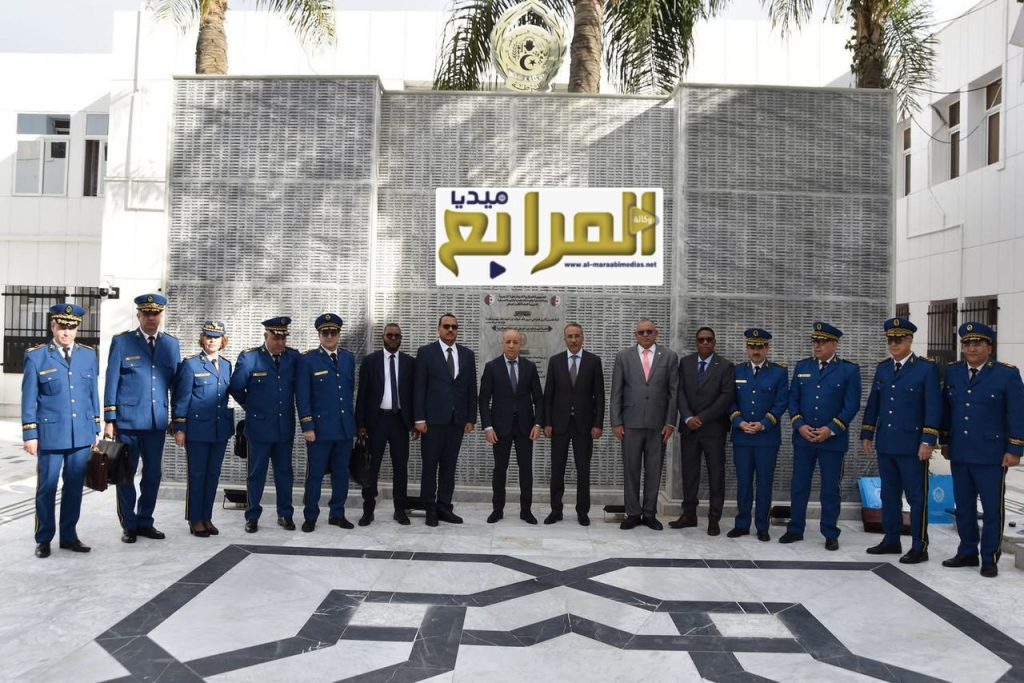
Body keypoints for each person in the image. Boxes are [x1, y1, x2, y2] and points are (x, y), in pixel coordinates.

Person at [939, 322, 1024, 578]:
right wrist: (945, 441)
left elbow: (1017, 414)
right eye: (967, 344)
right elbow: (947, 410)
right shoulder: (954, 372)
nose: (971, 349)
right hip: (960, 451)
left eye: (977, 344)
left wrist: (1015, 449)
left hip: (991, 454)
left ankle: (989, 557)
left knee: (991, 508)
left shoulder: (1006, 374)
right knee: (964, 506)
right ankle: (967, 551)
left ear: (989, 347)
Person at [22, 303, 100, 558]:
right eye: (62, 327)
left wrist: (95, 427)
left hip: (81, 434)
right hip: (51, 435)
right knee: (47, 487)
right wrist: (30, 434)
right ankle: (43, 538)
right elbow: (29, 399)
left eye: (71, 327)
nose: (66, 332)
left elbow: (92, 393)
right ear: (52, 327)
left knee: (75, 487)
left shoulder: (88, 355)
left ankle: (69, 536)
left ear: (77, 329)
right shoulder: (36, 356)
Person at [861, 318, 940, 564]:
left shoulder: (925, 369)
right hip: (886, 442)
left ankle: (919, 545)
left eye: (899, 340)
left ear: (910, 340)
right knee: (889, 494)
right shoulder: (884, 368)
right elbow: (874, 403)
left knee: (916, 497)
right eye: (890, 340)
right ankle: (891, 539)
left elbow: (933, 408)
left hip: (912, 446)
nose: (893, 344)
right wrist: (867, 433)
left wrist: (927, 441)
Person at [104, 293, 181, 544]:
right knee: (125, 475)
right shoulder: (123, 342)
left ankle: (145, 520)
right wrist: (110, 419)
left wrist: (177, 418)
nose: (151, 318)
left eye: (155, 313)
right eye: (146, 313)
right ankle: (129, 524)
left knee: (153, 475)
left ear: (161, 315)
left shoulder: (171, 344)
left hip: (156, 423)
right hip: (127, 422)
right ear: (138, 315)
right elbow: (112, 381)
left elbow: (177, 385)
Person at [782, 322, 861, 550]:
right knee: (799, 486)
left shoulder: (848, 370)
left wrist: (831, 428)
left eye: (822, 342)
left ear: (834, 344)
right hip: (804, 438)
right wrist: (799, 425)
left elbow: (851, 405)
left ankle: (830, 532)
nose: (817, 346)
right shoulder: (803, 366)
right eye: (815, 342)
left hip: (832, 440)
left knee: (830, 488)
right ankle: (795, 528)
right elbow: (793, 399)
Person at [229, 316, 300, 533]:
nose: (281, 342)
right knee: (256, 474)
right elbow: (236, 387)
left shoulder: (293, 357)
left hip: (284, 428)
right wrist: (252, 407)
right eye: (276, 338)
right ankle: (252, 515)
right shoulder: (250, 358)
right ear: (266, 336)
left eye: (283, 338)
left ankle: (285, 514)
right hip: (259, 428)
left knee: (284, 474)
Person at [610, 319, 678, 530]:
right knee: (631, 469)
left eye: (649, 331)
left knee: (654, 470)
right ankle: (632, 513)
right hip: (630, 423)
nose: (646, 335)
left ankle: (649, 514)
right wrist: (616, 421)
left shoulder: (669, 356)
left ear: (657, 333)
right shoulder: (623, 357)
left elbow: (673, 392)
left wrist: (670, 422)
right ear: (635, 335)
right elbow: (616, 392)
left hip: (658, 424)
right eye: (641, 332)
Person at [413, 313, 477, 527]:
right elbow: (419, 387)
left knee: (449, 467)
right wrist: (419, 418)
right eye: (447, 326)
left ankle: (444, 507)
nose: (451, 330)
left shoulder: (467, 354)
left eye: (454, 327)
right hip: (432, 422)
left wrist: (470, 417)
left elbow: (471, 388)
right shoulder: (426, 353)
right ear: (439, 329)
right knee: (430, 466)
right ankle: (430, 508)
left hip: (456, 421)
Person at [171, 321, 233, 537]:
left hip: (219, 430)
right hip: (197, 430)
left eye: (216, 337)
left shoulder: (226, 365)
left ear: (223, 340)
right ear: (202, 339)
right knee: (197, 475)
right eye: (208, 336)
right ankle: (195, 519)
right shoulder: (191, 365)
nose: (211, 341)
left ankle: (207, 517)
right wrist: (180, 427)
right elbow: (181, 398)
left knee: (213, 475)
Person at [671, 326, 735, 536]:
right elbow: (680, 392)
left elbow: (726, 397)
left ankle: (714, 518)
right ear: (696, 342)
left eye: (709, 339)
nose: (705, 343)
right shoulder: (686, 363)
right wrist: (688, 417)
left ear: (714, 342)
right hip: (689, 428)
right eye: (701, 340)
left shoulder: (725, 366)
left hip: (713, 428)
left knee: (716, 474)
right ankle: (689, 514)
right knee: (689, 473)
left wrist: (702, 417)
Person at [295, 313, 356, 531]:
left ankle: (337, 514)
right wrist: (307, 426)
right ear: (319, 335)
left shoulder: (348, 358)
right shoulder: (308, 360)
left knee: (341, 474)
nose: (330, 336)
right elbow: (302, 396)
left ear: (339, 334)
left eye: (334, 332)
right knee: (315, 475)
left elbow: (348, 392)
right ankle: (310, 515)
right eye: (325, 332)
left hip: (344, 428)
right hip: (319, 430)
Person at [726, 328, 788, 542]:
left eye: (760, 347)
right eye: (752, 346)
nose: (755, 351)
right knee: (743, 482)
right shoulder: (737, 371)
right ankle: (742, 524)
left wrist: (763, 424)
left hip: (766, 439)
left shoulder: (779, 372)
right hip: (742, 437)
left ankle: (762, 526)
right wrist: (739, 422)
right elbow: (730, 401)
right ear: (746, 348)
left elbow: (781, 403)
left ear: (767, 349)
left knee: (764, 483)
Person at [479, 329, 543, 524]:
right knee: (500, 469)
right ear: (503, 343)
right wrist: (488, 427)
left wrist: (538, 424)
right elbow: (484, 399)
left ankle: (526, 511)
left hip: (525, 427)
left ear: (520, 344)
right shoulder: (492, 367)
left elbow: (538, 398)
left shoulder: (530, 367)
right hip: (500, 428)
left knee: (526, 470)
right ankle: (497, 510)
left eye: (515, 342)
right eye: (508, 342)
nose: (512, 346)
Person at [543, 323, 605, 526]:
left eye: (577, 336)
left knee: (583, 470)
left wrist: (598, 423)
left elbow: (599, 396)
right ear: (565, 339)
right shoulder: (555, 361)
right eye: (570, 336)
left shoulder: (593, 361)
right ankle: (556, 510)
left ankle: (582, 511)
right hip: (559, 424)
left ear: (583, 337)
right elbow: (548, 395)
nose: (574, 340)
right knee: (557, 470)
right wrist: (547, 422)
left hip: (584, 425)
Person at [355, 323, 416, 526]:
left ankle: (400, 510)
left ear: (401, 338)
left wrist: (414, 423)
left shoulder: (410, 362)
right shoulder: (370, 361)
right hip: (376, 421)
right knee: (371, 468)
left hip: (400, 421)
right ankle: (368, 511)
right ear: (383, 337)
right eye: (390, 335)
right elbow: (362, 394)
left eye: (397, 335)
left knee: (401, 468)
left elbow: (414, 395)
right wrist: (360, 424)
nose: (393, 338)